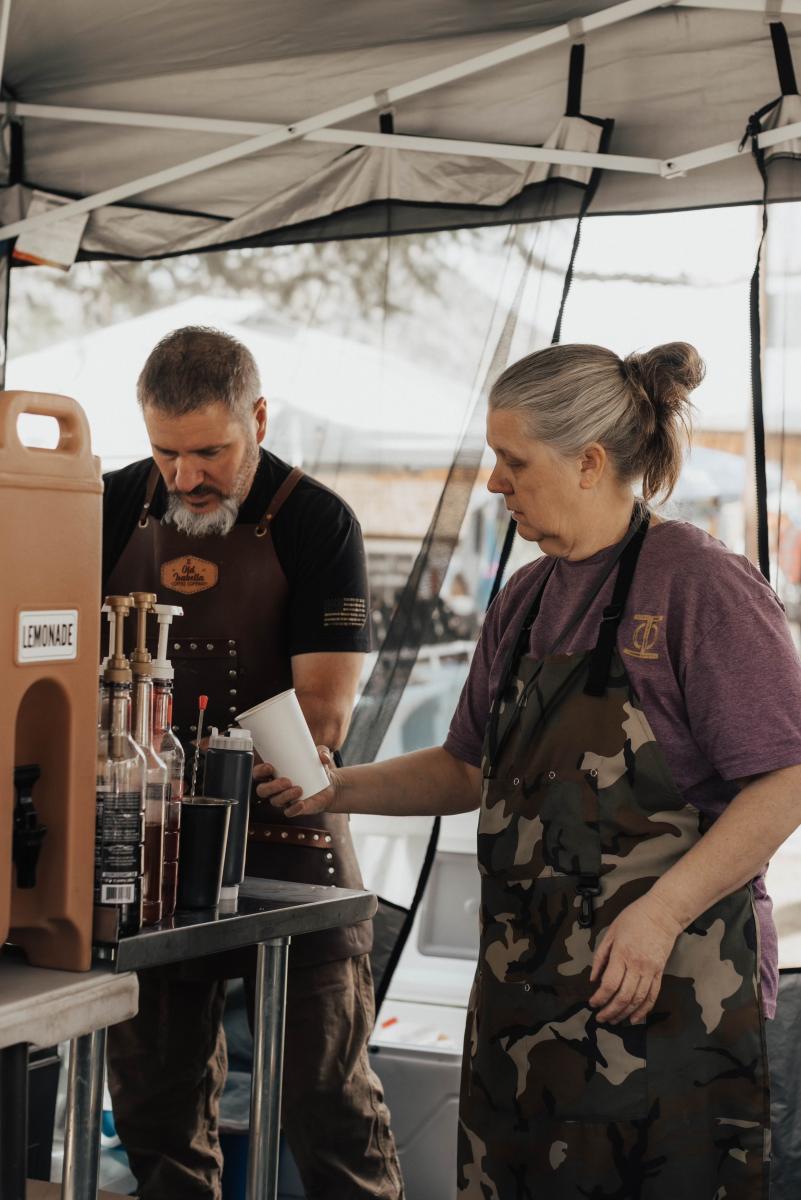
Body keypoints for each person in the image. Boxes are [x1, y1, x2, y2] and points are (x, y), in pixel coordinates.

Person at [258, 341, 801, 1198]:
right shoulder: (524, 598)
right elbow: (463, 766)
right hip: (525, 1004)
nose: (493, 482)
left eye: (513, 461)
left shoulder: (698, 585)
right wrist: (338, 788)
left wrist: (659, 915)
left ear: (588, 462)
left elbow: (784, 781)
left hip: (672, 1004)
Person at [102, 326, 403, 1200]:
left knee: (327, 1105)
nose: (185, 476)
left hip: (291, 839)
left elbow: (323, 714)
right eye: (167, 452)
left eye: (210, 452)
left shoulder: (317, 521)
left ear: (259, 419)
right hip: (151, 844)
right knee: (154, 1107)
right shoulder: (111, 503)